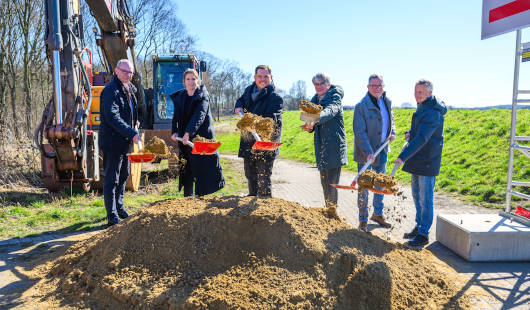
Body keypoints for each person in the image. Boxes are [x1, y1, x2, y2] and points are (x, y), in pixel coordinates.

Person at [394, 79, 446, 247]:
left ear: (430, 93)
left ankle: (424, 234)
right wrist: (411, 132)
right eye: (416, 91)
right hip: (418, 158)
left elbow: (423, 138)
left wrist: (402, 156)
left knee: (425, 199)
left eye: (421, 92)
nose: (417, 95)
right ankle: (419, 226)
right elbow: (420, 131)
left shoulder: (433, 112)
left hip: (427, 160)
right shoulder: (423, 106)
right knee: (416, 195)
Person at [99, 59, 141, 226]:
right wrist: (132, 133)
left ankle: (120, 207)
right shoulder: (111, 91)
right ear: (116, 71)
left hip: (124, 142)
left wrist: (135, 124)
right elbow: (112, 117)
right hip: (112, 142)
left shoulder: (129, 89)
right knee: (112, 178)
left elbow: (130, 113)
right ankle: (112, 215)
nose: (128, 75)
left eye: (130, 72)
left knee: (123, 175)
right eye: (124, 71)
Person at [170, 68, 225, 196]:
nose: (191, 82)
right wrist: (174, 131)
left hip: (201, 138)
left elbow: (199, 116)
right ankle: (188, 200)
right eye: (188, 79)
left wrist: (188, 133)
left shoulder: (203, 96)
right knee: (187, 169)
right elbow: (176, 117)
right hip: (185, 140)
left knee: (201, 170)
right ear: (184, 81)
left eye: (193, 79)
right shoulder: (180, 97)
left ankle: (200, 200)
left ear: (198, 80)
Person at [353, 74, 396, 232]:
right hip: (366, 153)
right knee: (364, 186)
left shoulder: (387, 102)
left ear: (384, 86)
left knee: (381, 184)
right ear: (368, 87)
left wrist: (393, 133)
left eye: (380, 85)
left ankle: (378, 214)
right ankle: (363, 219)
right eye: (374, 86)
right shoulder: (361, 106)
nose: (377, 88)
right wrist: (368, 152)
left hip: (382, 150)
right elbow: (359, 132)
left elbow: (391, 121)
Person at [234, 65, 283, 198]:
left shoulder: (275, 97)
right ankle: (251, 201)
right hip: (249, 139)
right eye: (259, 76)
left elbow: (270, 119)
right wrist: (238, 107)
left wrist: (253, 123)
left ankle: (265, 205)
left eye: (265, 77)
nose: (262, 79)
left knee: (263, 176)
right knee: (250, 174)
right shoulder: (249, 90)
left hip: (265, 142)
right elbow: (241, 100)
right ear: (255, 77)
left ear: (271, 78)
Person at [301, 72, 347, 210]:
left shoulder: (335, 97)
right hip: (321, 146)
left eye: (321, 83)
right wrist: (309, 127)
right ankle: (329, 210)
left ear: (328, 84)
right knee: (324, 182)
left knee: (332, 183)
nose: (319, 86)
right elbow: (309, 121)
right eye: (316, 84)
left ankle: (332, 212)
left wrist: (315, 119)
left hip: (334, 146)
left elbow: (330, 111)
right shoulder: (314, 100)